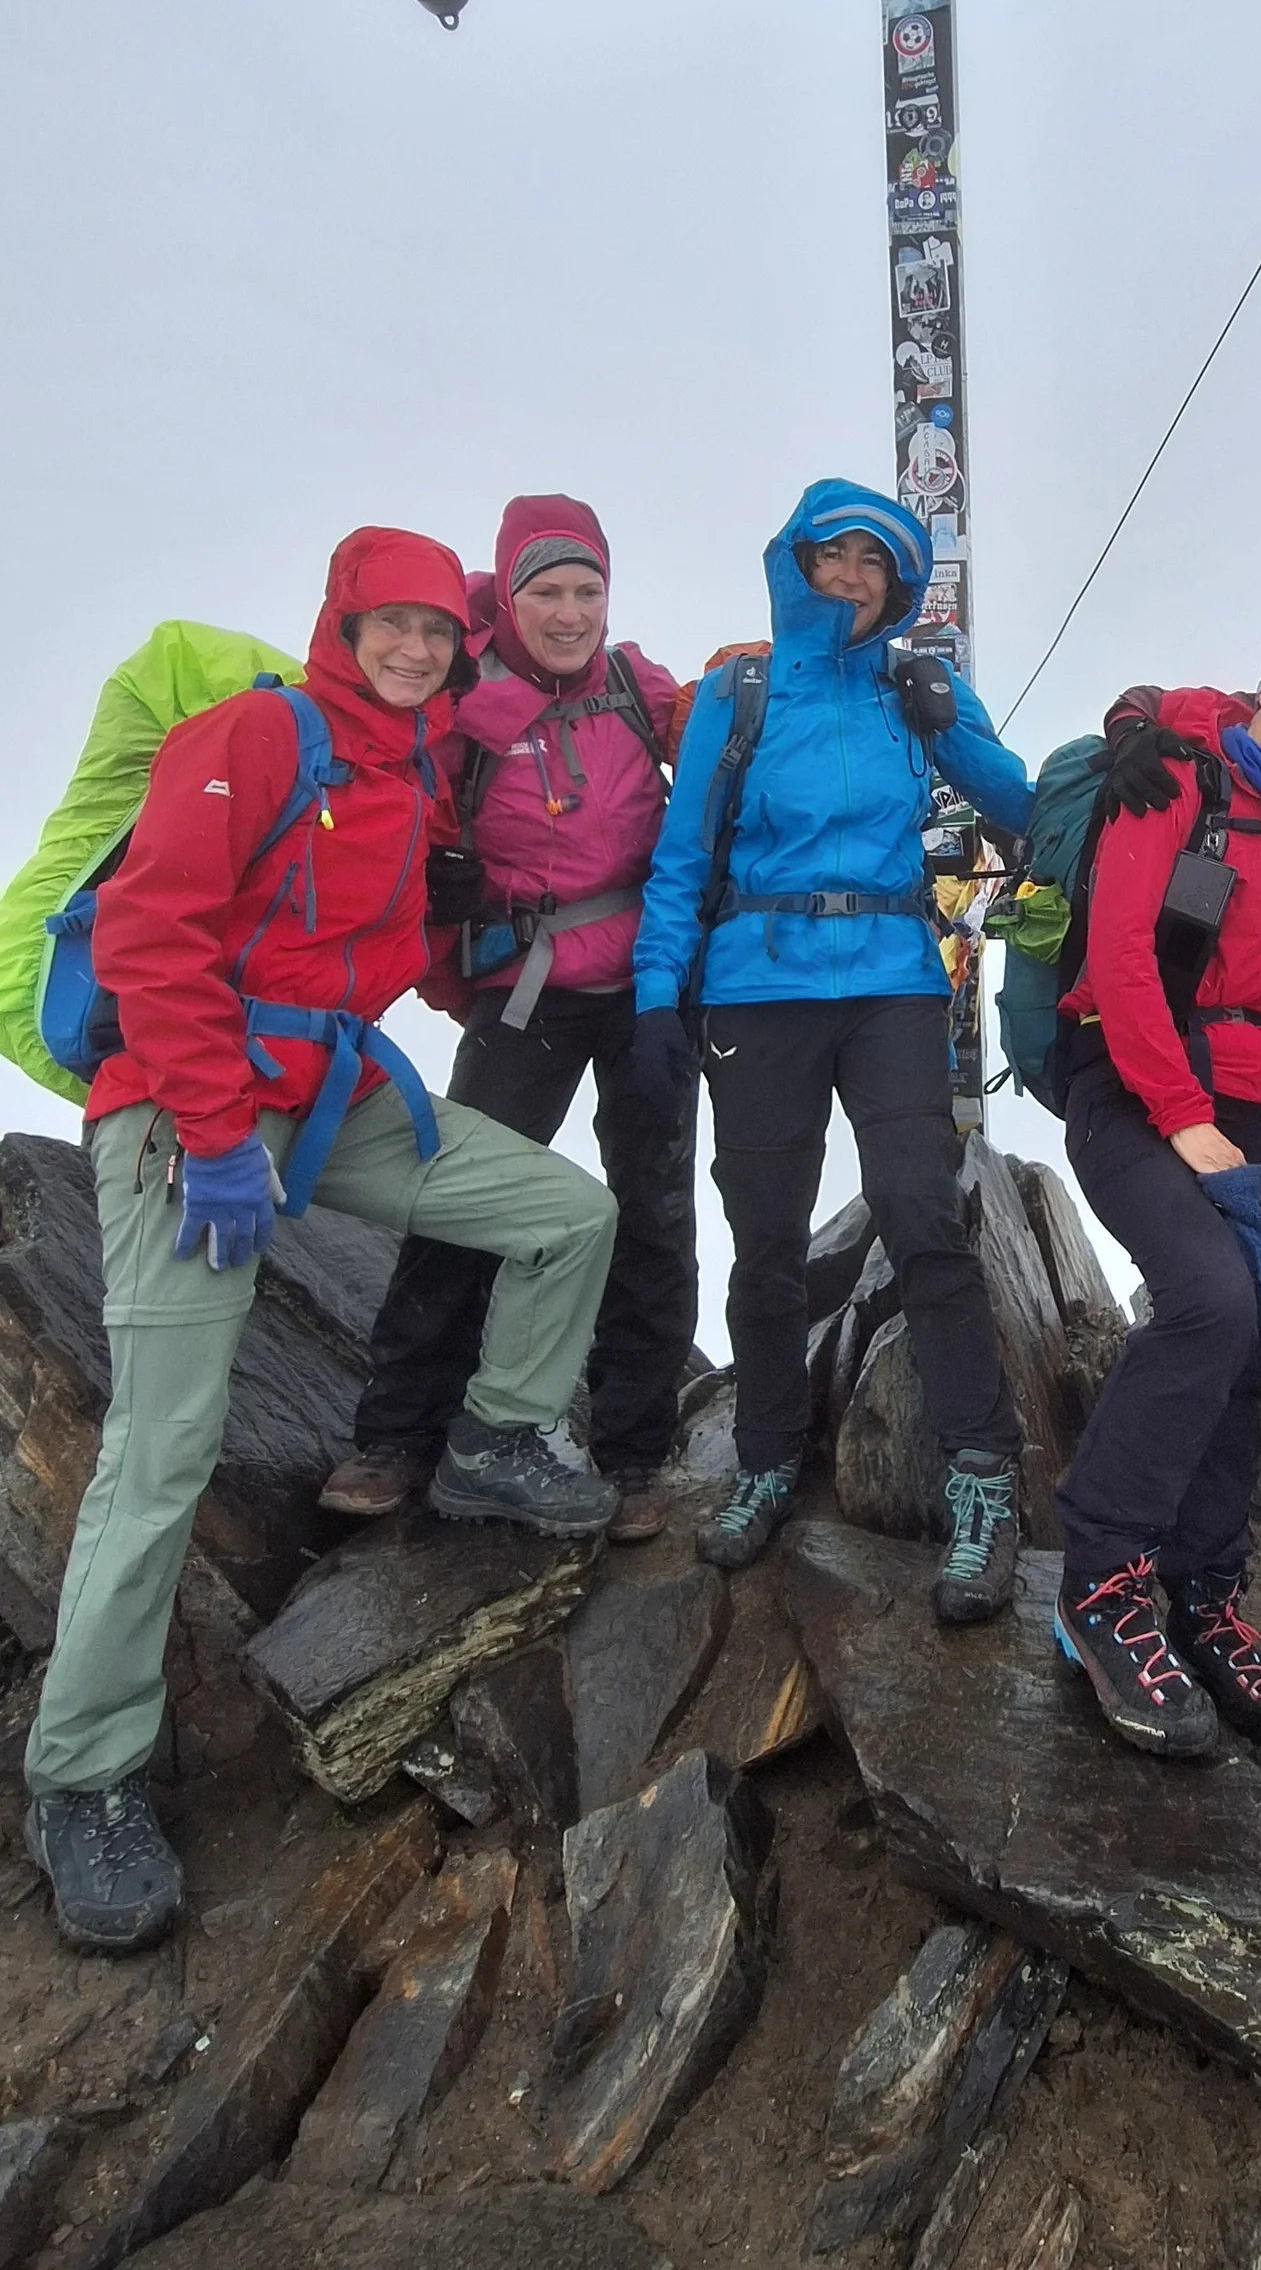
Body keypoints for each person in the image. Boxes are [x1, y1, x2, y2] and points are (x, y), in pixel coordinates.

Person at [25, 529, 619, 1954]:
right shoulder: (254, 734)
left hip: (329, 1093)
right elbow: (151, 936)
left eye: (436, 631)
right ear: (342, 626)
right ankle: (81, 1776)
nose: (415, 648)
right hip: (185, 1111)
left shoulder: (411, 774)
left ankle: (496, 1436)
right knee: (163, 1449)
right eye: (389, 624)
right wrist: (216, 1128)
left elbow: (369, 953)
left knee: (566, 1213)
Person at [627, 480, 1034, 1616]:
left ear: (899, 589)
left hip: (893, 982)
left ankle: (983, 1474)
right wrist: (655, 996)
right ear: (797, 562)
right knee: (764, 1237)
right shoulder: (738, 690)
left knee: (922, 1214)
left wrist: (969, 721)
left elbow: (1018, 803)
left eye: (876, 563)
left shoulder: (917, 690)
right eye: (834, 554)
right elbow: (681, 854)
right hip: (757, 988)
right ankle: (766, 1457)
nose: (851, 576)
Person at [323, 495, 693, 1543]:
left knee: (653, 1210)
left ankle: (634, 1450)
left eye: (588, 590)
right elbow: (401, 802)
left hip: (647, 986)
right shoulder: (460, 703)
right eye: (546, 591)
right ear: (509, 597)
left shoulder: (636, 688)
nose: (570, 612)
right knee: (460, 1202)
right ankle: (398, 1436)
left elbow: (720, 732)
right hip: (525, 988)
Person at [1053, 617, 1261, 1759]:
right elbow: (1120, 950)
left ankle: (1204, 1593)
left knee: (1244, 1350)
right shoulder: (1179, 775)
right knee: (1208, 1298)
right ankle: (1102, 1580)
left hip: (1260, 1093)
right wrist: (1180, 1109)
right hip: (1136, 1080)